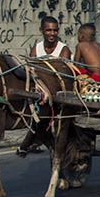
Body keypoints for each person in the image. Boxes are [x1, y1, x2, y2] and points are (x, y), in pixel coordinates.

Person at [17, 16, 72, 155]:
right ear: (41, 30)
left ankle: (29, 142)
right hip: (40, 90)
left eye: (54, 30)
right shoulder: (36, 49)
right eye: (48, 30)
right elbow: (31, 70)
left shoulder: (63, 49)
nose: (52, 34)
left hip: (58, 91)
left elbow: (62, 73)